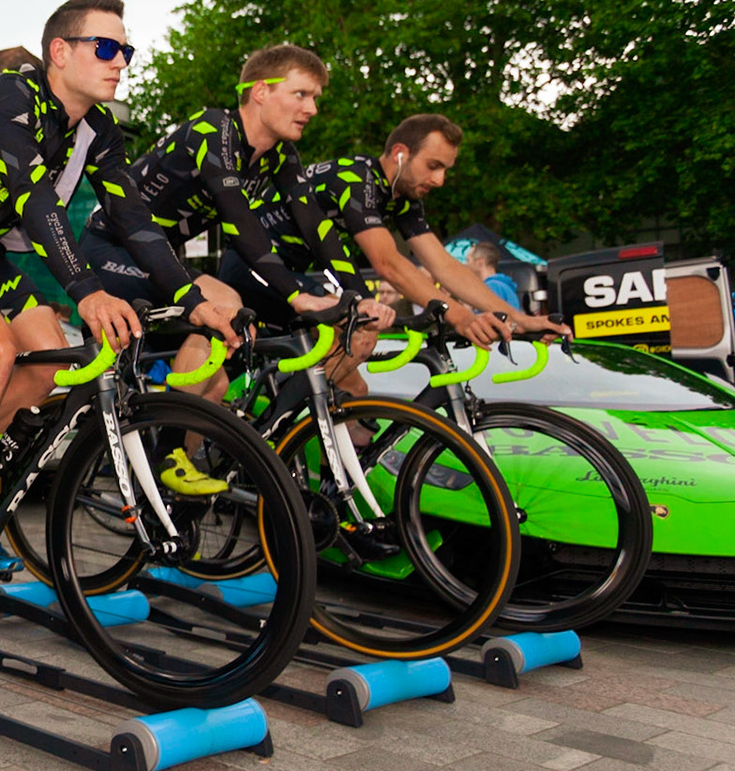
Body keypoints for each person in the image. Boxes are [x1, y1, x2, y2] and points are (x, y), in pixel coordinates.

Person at [0, 0, 238, 574]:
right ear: (59, 51)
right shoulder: (11, 95)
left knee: (51, 357)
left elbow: (134, 221)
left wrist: (190, 297)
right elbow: (35, 200)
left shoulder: (98, 128)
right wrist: (86, 289)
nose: (120, 61)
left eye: (125, 50)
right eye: (105, 48)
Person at [75, 44, 394, 486]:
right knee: (223, 300)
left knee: (217, 384)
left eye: (315, 98)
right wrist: (296, 295)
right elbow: (241, 225)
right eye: (301, 94)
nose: (312, 109)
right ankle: (166, 456)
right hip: (108, 248)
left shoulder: (280, 154)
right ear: (261, 91)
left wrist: (355, 293)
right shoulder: (213, 129)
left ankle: (173, 493)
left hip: (157, 259)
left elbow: (315, 226)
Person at [251, 113, 567, 401]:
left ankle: (297, 431)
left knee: (355, 394)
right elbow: (389, 264)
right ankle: (270, 433)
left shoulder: (401, 197)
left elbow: (444, 265)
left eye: (445, 170)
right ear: (400, 153)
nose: (440, 180)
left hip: (291, 273)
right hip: (255, 269)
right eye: (433, 166)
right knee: (360, 337)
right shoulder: (355, 178)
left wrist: (519, 319)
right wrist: (461, 317)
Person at [468, 241, 523, 310]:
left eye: (468, 260)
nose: (466, 264)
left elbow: (488, 315)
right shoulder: (502, 285)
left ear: (480, 262)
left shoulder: (492, 287)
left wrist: (467, 307)